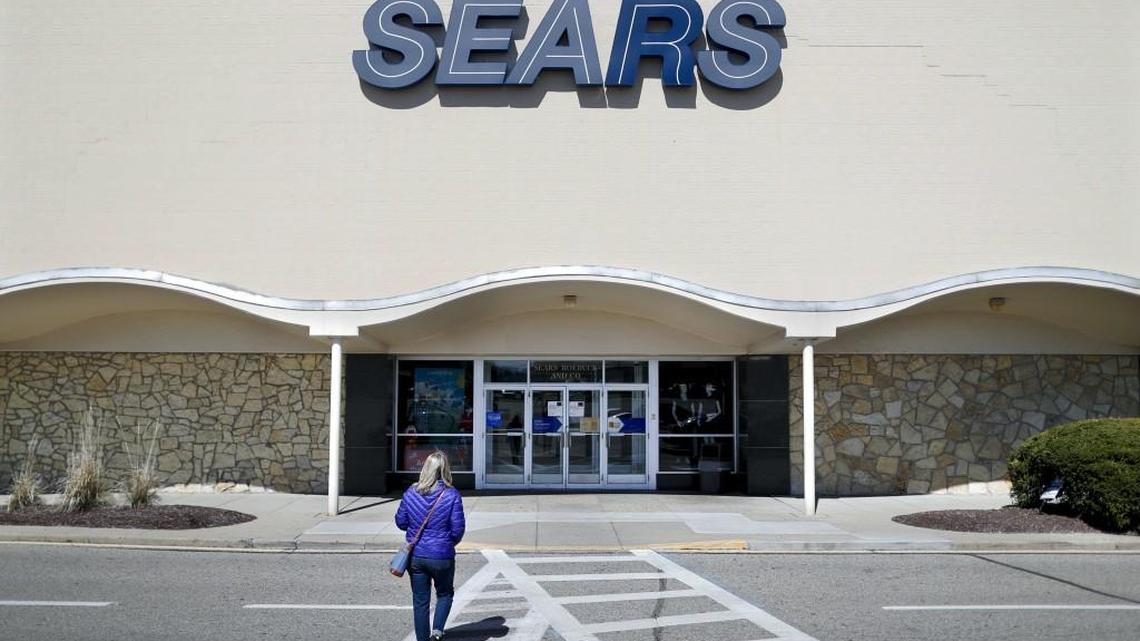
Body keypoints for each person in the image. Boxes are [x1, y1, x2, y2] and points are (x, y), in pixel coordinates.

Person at [395, 450, 466, 641]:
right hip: (442, 555)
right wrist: (446, 543)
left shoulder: (411, 492)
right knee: (445, 593)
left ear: (425, 468)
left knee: (420, 602)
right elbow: (458, 530)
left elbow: (401, 522)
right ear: (445, 470)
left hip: (416, 555)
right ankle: (437, 632)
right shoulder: (452, 495)